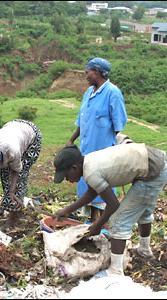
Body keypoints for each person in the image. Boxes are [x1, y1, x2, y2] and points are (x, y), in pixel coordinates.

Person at [53, 143, 167, 276]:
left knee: (119, 221)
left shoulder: (91, 172)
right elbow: (93, 192)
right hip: (158, 163)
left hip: (154, 173)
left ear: (74, 168)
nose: (67, 179)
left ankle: (115, 270)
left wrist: (98, 224)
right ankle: (144, 250)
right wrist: (68, 210)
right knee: (143, 210)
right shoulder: (89, 162)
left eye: (66, 176)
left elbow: (113, 204)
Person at [67, 57, 127, 224]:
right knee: (88, 184)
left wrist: (107, 145)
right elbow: (82, 121)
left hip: (103, 152)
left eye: (88, 73)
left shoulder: (112, 93)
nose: (86, 76)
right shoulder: (88, 92)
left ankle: (104, 223)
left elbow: (118, 124)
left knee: (103, 187)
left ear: (97, 72)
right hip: (86, 149)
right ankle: (92, 219)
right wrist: (72, 140)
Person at [0, 119, 42, 228]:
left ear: (0, 157)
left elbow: (16, 171)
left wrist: (12, 191)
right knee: (5, 176)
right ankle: (13, 204)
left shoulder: (12, 150)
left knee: (19, 179)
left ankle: (14, 216)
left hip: (31, 135)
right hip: (12, 128)